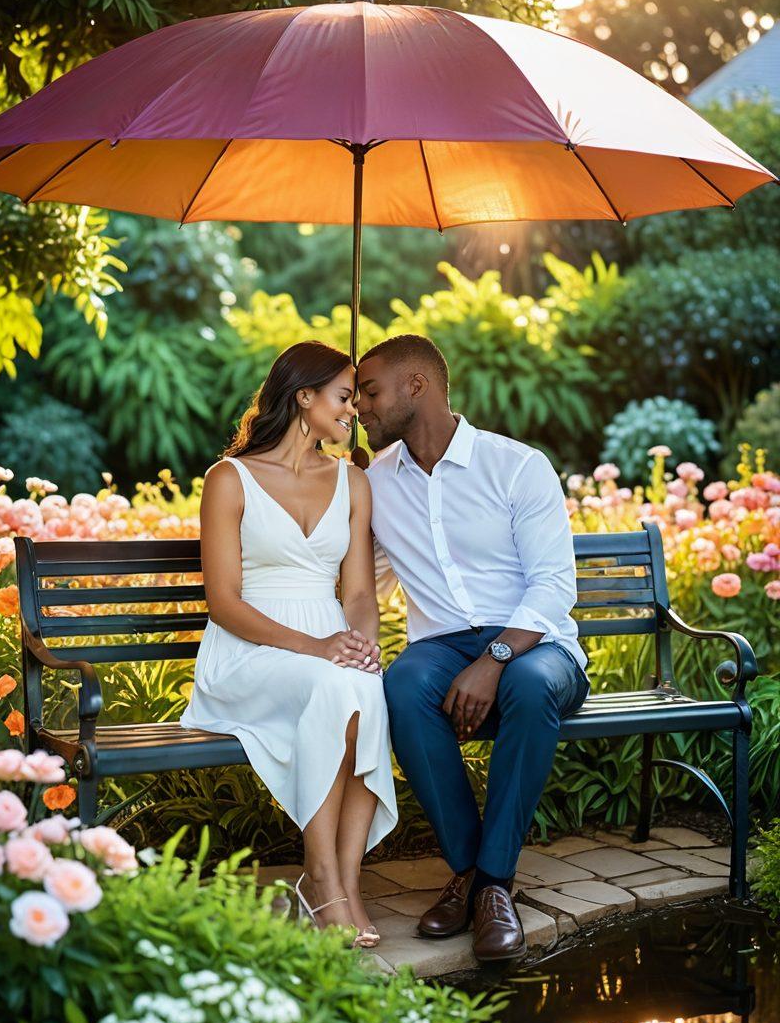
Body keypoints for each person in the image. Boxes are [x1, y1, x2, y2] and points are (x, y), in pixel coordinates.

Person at [356, 334, 589, 961]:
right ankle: (471, 870)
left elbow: (553, 585)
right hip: (441, 649)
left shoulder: (517, 466)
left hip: (537, 645)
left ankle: (491, 885)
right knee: (403, 685)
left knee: (529, 685)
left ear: (417, 386)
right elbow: (364, 581)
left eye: (370, 392)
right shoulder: (374, 482)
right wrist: (339, 499)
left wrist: (495, 659)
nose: (359, 407)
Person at [182, 341, 397, 948]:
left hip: (328, 647)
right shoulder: (229, 480)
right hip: (248, 651)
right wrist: (317, 648)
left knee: (365, 688)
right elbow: (224, 603)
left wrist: (361, 645)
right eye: (344, 397)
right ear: (304, 397)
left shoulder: (352, 481)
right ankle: (320, 877)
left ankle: (345, 884)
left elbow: (360, 592)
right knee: (336, 685)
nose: (354, 410)